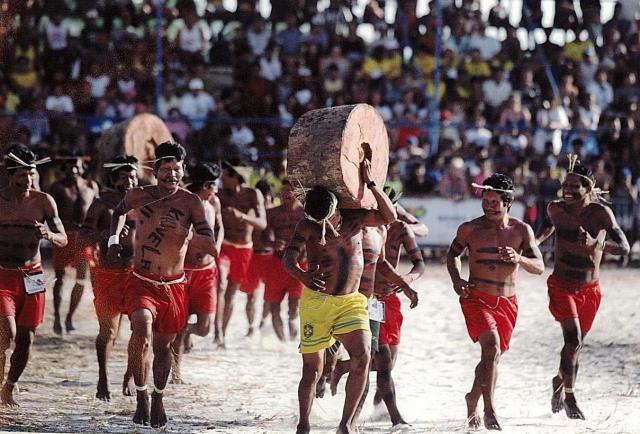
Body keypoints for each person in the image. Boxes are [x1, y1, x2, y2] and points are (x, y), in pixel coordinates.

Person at [283, 158, 397, 434]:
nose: (324, 224)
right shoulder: (308, 226)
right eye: (317, 219)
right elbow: (288, 257)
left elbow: (390, 217)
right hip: (317, 303)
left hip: (351, 302)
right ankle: (303, 424)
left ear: (337, 208)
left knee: (363, 357)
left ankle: (345, 425)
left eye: (327, 218)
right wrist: (303, 276)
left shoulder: (357, 219)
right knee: (312, 369)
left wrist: (370, 182)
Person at [107, 142, 216, 428]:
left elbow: (210, 243)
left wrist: (183, 230)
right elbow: (117, 213)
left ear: (183, 171)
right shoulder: (137, 195)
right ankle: (141, 395)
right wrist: (113, 240)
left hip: (174, 285)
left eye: (176, 169)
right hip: (141, 281)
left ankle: (158, 396)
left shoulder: (192, 202)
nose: (171, 174)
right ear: (155, 171)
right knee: (141, 329)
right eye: (166, 169)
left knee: (163, 348)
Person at [446, 174, 544, 430]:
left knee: (493, 356)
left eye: (494, 202)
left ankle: (472, 398)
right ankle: (490, 411)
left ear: (508, 202)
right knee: (491, 348)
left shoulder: (522, 231)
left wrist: (519, 259)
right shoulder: (470, 229)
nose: (488, 205)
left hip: (507, 303)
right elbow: (452, 255)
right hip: (476, 298)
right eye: (485, 200)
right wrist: (457, 280)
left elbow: (540, 267)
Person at [536, 156, 630, 420]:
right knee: (573, 340)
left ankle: (558, 380)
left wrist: (595, 244)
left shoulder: (600, 214)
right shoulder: (555, 210)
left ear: (588, 189)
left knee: (574, 346)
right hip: (561, 285)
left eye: (574, 186)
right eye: (565, 185)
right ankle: (570, 396)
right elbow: (540, 235)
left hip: (590, 290)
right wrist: (526, 251)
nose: (567, 190)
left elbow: (624, 248)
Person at [0, 145, 68, 406]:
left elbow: (62, 238)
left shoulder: (43, 201)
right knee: (7, 332)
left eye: (32, 174)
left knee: (26, 339)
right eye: (23, 175)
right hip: (3, 275)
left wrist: (49, 235)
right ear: (10, 174)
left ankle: (10, 386)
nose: (28, 180)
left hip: (33, 275)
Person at [80, 155, 139, 401]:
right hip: (109, 273)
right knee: (108, 331)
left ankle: (131, 375)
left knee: (141, 330)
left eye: (133, 175)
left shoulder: (146, 203)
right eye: (124, 176)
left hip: (137, 274)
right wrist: (106, 233)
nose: (129, 180)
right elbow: (82, 239)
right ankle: (103, 378)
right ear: (114, 179)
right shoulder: (102, 204)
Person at [371, 187, 426, 429]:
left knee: (389, 361)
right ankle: (396, 418)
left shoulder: (401, 228)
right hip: (368, 300)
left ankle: (377, 404)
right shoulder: (365, 225)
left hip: (391, 300)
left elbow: (419, 264)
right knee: (383, 360)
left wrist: (408, 280)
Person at [171, 162, 224, 384]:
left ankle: (186, 333)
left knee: (204, 328)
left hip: (206, 271)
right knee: (180, 322)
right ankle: (176, 372)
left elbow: (220, 227)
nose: (217, 190)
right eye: (214, 185)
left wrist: (217, 247)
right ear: (205, 185)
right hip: (184, 270)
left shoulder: (214, 202)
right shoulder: (184, 202)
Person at [215, 162, 266, 347]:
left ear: (235, 176)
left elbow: (262, 223)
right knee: (220, 283)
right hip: (225, 246)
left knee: (230, 294)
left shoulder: (253, 194)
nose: (221, 180)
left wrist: (242, 216)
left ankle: (223, 334)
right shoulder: (219, 195)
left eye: (225, 177)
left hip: (244, 248)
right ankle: (217, 332)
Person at [48, 152, 99, 334]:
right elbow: (49, 213)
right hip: (65, 237)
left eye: (76, 166)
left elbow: (97, 212)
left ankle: (69, 317)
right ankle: (57, 317)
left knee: (81, 279)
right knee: (60, 278)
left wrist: (97, 238)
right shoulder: (57, 188)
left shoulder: (91, 186)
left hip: (85, 238)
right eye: (69, 167)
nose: (73, 170)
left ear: (83, 168)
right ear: (64, 169)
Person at [263, 179, 305, 341]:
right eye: (283, 191)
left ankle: (292, 328)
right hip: (277, 263)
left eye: (290, 191)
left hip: (299, 263)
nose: (286, 194)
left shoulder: (306, 214)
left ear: (298, 194)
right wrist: (272, 243)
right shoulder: (272, 213)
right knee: (274, 306)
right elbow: (261, 237)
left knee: (294, 305)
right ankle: (282, 343)